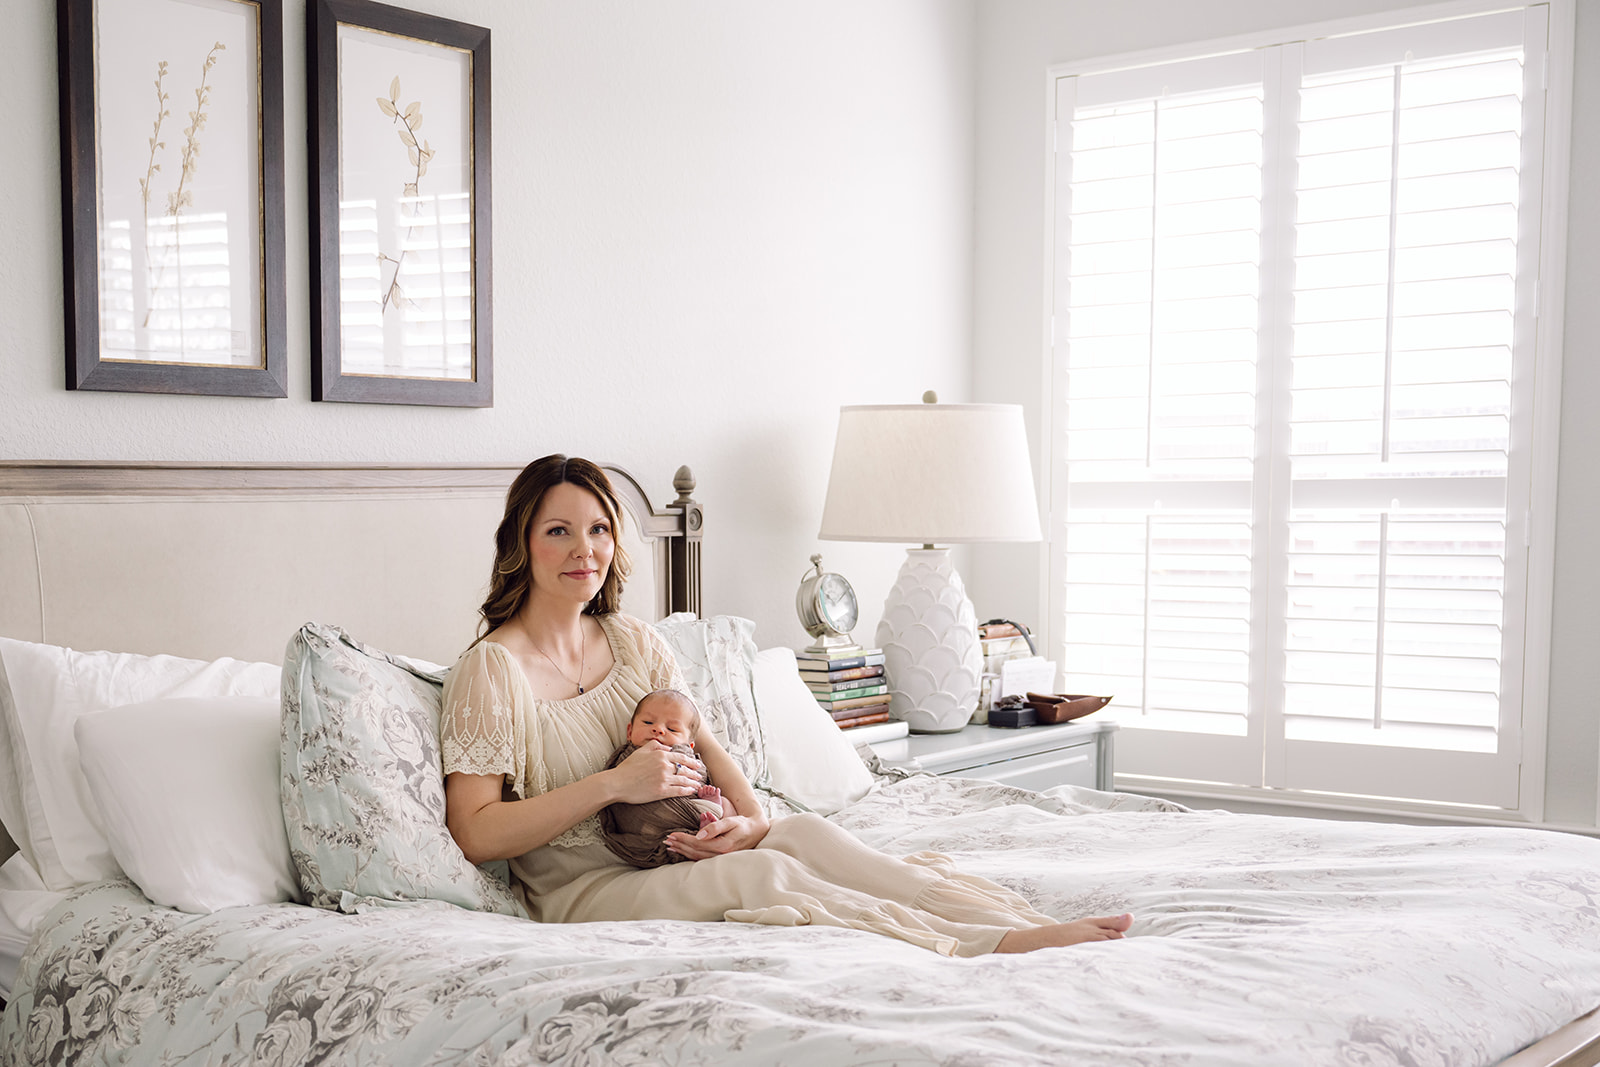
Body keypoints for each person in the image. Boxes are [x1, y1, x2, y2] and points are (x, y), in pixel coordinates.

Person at [440, 454, 1132, 956]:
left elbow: (707, 747)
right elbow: (476, 832)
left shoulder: (634, 642)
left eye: (598, 529)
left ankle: (1007, 914)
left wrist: (749, 816)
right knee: (767, 871)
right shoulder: (491, 671)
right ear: (520, 544)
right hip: (583, 887)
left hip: (680, 850)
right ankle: (985, 943)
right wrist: (614, 785)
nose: (583, 549)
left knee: (802, 834)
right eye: (558, 530)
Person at [600, 689, 729, 868]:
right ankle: (703, 820)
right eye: (647, 722)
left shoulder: (686, 756)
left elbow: (698, 778)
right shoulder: (626, 756)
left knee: (725, 803)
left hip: (687, 813)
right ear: (629, 732)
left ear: (689, 746)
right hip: (642, 830)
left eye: (672, 729)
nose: (658, 729)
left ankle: (707, 817)